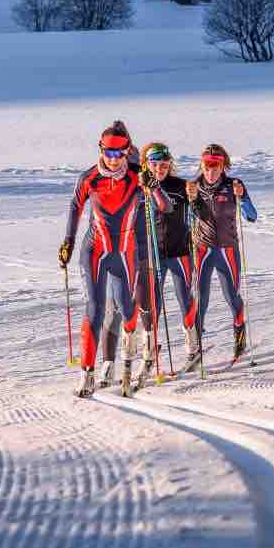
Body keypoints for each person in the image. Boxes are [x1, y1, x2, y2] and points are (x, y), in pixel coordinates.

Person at [58, 121, 154, 397]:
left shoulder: (138, 176)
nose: (112, 160)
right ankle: (86, 373)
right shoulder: (89, 178)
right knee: (96, 309)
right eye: (107, 154)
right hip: (95, 251)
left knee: (127, 307)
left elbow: (161, 205)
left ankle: (128, 359)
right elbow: (76, 206)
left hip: (125, 253)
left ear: (127, 152)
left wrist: (152, 186)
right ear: (100, 150)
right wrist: (68, 242)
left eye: (118, 154)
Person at [186, 143, 258, 363]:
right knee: (201, 298)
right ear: (201, 164)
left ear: (223, 165)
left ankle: (240, 339)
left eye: (215, 165)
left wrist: (243, 196)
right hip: (203, 249)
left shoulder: (233, 185)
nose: (210, 171)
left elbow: (252, 216)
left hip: (227, 250)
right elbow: (188, 219)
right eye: (207, 165)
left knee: (232, 296)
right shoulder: (193, 186)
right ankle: (196, 344)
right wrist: (190, 200)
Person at [141, 142, 202, 367]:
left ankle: (193, 345)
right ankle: (149, 347)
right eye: (155, 164)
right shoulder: (142, 188)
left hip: (180, 253)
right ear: (147, 165)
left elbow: (201, 209)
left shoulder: (180, 185)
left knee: (185, 299)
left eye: (164, 164)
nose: (160, 168)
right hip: (153, 255)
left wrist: (195, 198)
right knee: (151, 303)